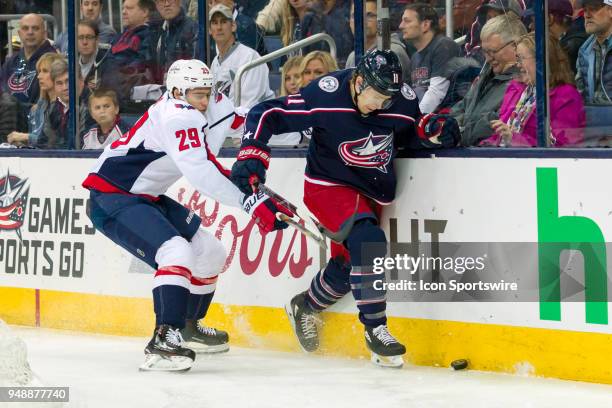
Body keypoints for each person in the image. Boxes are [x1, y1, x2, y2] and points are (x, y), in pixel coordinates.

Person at [230, 49, 460, 368]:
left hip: (371, 190)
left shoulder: (401, 101)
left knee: (351, 263)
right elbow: (266, 113)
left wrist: (435, 131)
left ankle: (306, 306)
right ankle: (377, 330)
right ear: (358, 81)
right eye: (376, 96)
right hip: (328, 186)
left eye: (387, 99)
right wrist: (252, 154)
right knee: (369, 241)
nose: (380, 105)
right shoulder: (325, 95)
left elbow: (413, 132)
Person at [82, 59, 291, 371]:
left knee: (210, 253)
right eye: (197, 94)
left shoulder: (213, 102)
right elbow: (202, 172)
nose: (204, 100)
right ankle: (164, 339)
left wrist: (295, 119)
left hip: (146, 196)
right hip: (111, 196)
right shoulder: (175, 117)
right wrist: (251, 201)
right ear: (178, 91)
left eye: (207, 92)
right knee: (176, 252)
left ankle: (188, 326)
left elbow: (246, 121)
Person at [484, 33, 584, 147]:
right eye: (517, 58)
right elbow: (500, 133)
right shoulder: (516, 88)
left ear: (541, 60)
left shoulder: (566, 96)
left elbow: (561, 145)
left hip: (537, 163)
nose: (518, 64)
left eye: (521, 58)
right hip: (506, 158)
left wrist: (513, 138)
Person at [451, 14, 526, 146]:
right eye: (485, 52)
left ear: (515, 46)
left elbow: (492, 125)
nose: (488, 58)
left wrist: (457, 134)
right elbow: (461, 108)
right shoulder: (485, 76)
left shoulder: (523, 84)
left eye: (493, 51)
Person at [209, 4, 274, 110]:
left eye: (224, 22)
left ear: (233, 26)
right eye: (215, 23)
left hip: (254, 120)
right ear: (210, 30)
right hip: (227, 121)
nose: (219, 27)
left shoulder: (250, 57)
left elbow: (248, 106)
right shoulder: (215, 62)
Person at [399, 3, 462, 114]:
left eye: (407, 21)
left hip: (443, 120)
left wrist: (414, 120)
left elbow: (437, 93)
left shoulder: (444, 46)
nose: (401, 26)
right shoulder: (415, 57)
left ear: (425, 25)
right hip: (424, 117)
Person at [0, 14, 56, 131]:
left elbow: (48, 104)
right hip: (8, 120)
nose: (30, 32)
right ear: (19, 34)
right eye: (25, 28)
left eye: (35, 28)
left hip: (36, 125)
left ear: (44, 33)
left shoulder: (52, 60)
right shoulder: (12, 61)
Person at [99, 0, 156, 104]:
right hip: (109, 95)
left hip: (129, 100)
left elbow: (139, 67)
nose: (124, 12)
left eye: (129, 8)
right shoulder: (119, 37)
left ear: (145, 12)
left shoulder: (150, 37)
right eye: (123, 8)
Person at [345, 0, 411, 82]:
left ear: (381, 21)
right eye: (355, 15)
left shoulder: (393, 52)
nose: (361, 20)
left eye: (369, 15)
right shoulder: (352, 57)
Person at [6, 52, 63, 147]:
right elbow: (36, 143)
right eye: (39, 71)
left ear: (57, 74)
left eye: (45, 71)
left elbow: (51, 141)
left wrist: (24, 137)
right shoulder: (37, 108)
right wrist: (22, 143)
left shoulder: (63, 108)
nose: (39, 76)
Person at [151, 0, 197, 84]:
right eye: (161, 1)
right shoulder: (158, 31)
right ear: (156, 5)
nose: (167, 4)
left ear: (179, 1)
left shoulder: (192, 29)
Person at [576, 0, 612, 105]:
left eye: (593, 8)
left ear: (610, 10)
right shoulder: (584, 51)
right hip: (594, 119)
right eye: (585, 10)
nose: (586, 15)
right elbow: (581, 98)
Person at [77, 20, 111, 91]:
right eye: (80, 37)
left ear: (97, 40)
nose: (85, 42)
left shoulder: (108, 63)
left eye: (89, 37)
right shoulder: (70, 62)